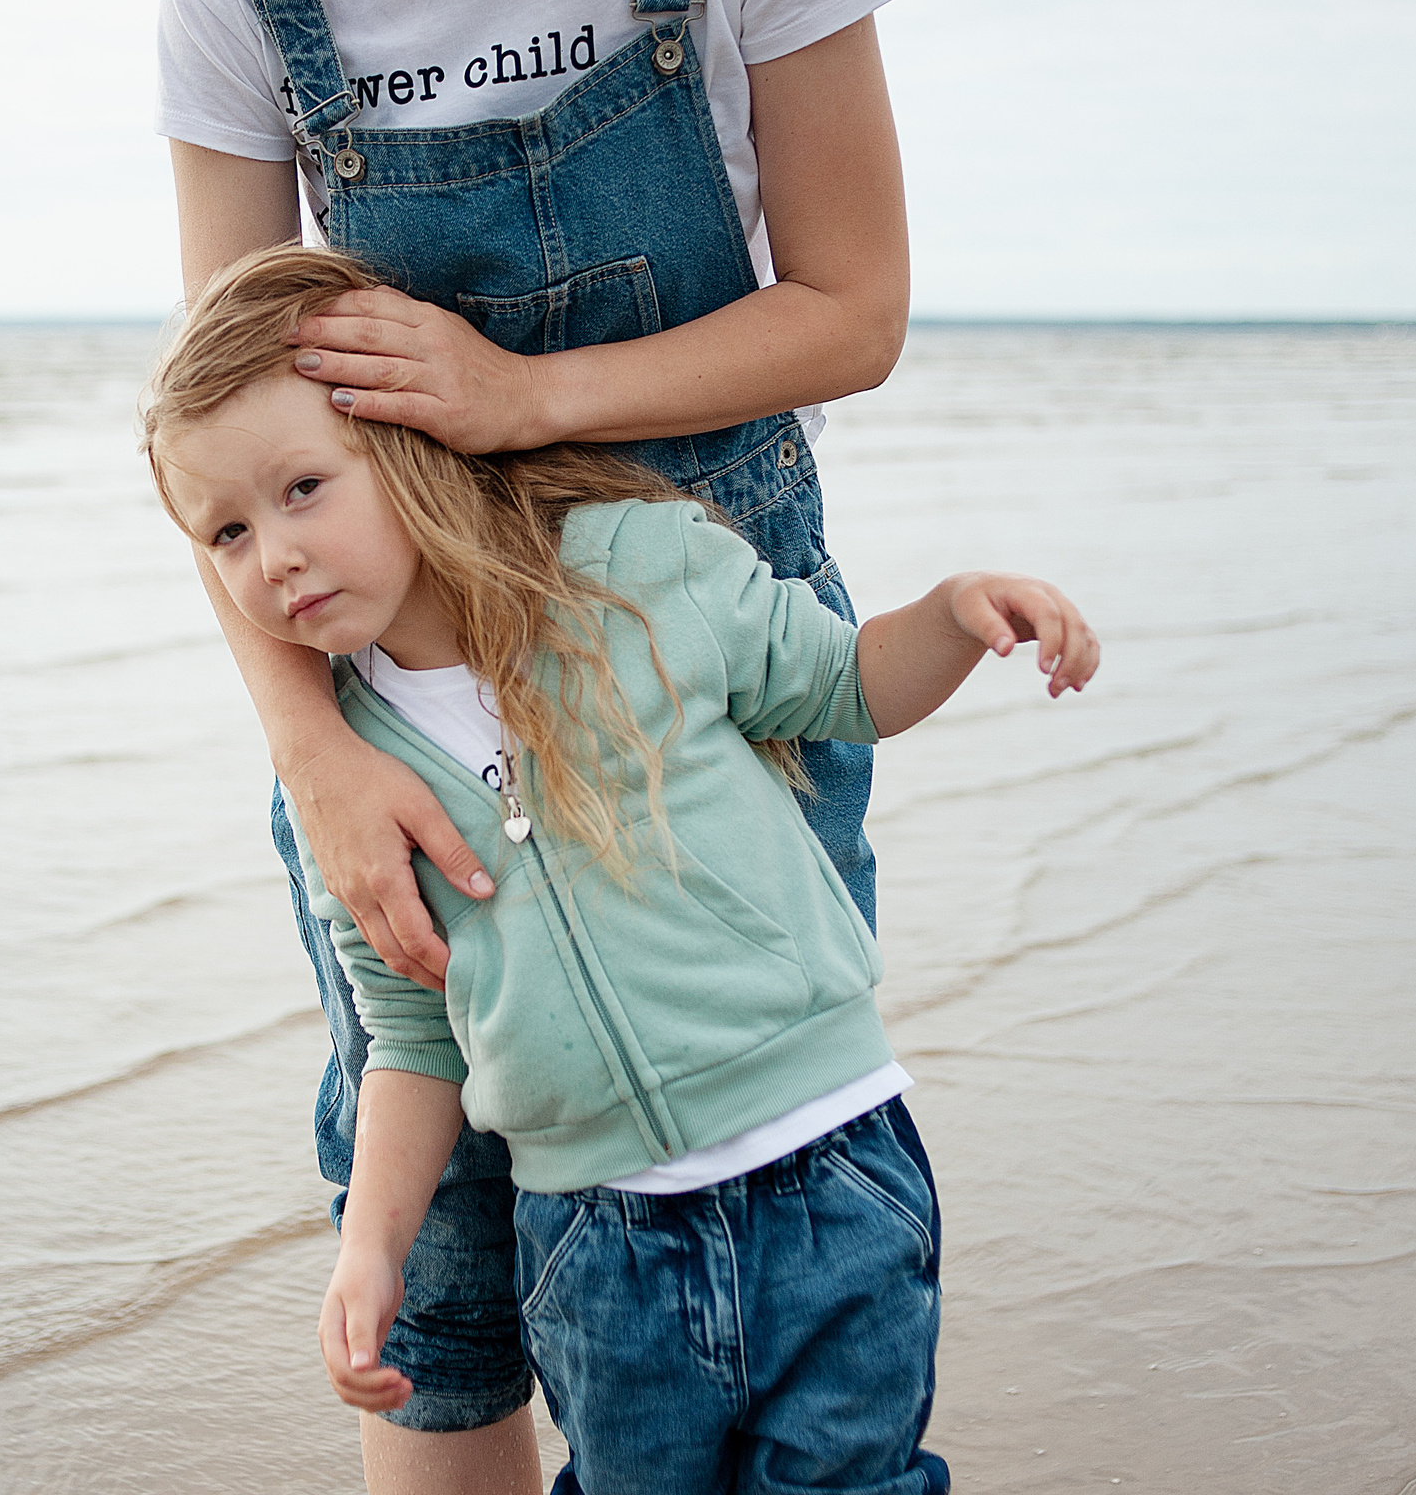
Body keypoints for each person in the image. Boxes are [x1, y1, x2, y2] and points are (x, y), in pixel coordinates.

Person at [157, 0, 912, 1484]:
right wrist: (318, 753)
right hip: (396, 717)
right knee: (439, 1265)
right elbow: (212, 449)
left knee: (774, 1177)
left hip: (709, 669)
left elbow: (854, 306)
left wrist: (525, 401)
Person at [141, 245, 1099, 1494]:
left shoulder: (637, 572)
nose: (270, 555)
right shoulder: (351, 784)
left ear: (409, 447)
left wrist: (959, 611)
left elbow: (844, 687)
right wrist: (371, 1247)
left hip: (828, 1165)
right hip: (598, 1241)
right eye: (225, 531)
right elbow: (412, 1037)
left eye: (303, 488)